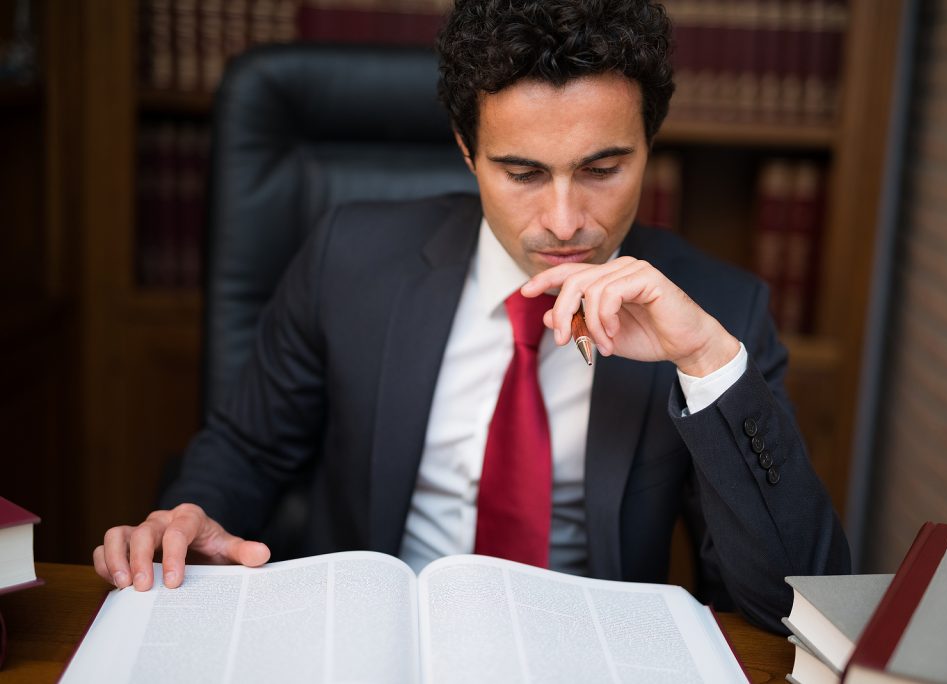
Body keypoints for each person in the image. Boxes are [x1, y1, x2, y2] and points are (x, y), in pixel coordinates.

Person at [93, 0, 849, 632]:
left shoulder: (722, 310)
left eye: (603, 169)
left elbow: (792, 607)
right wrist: (192, 513)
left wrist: (708, 365)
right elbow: (249, 449)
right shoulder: (347, 258)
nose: (563, 221)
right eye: (522, 173)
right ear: (466, 151)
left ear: (650, 144)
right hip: (373, 642)